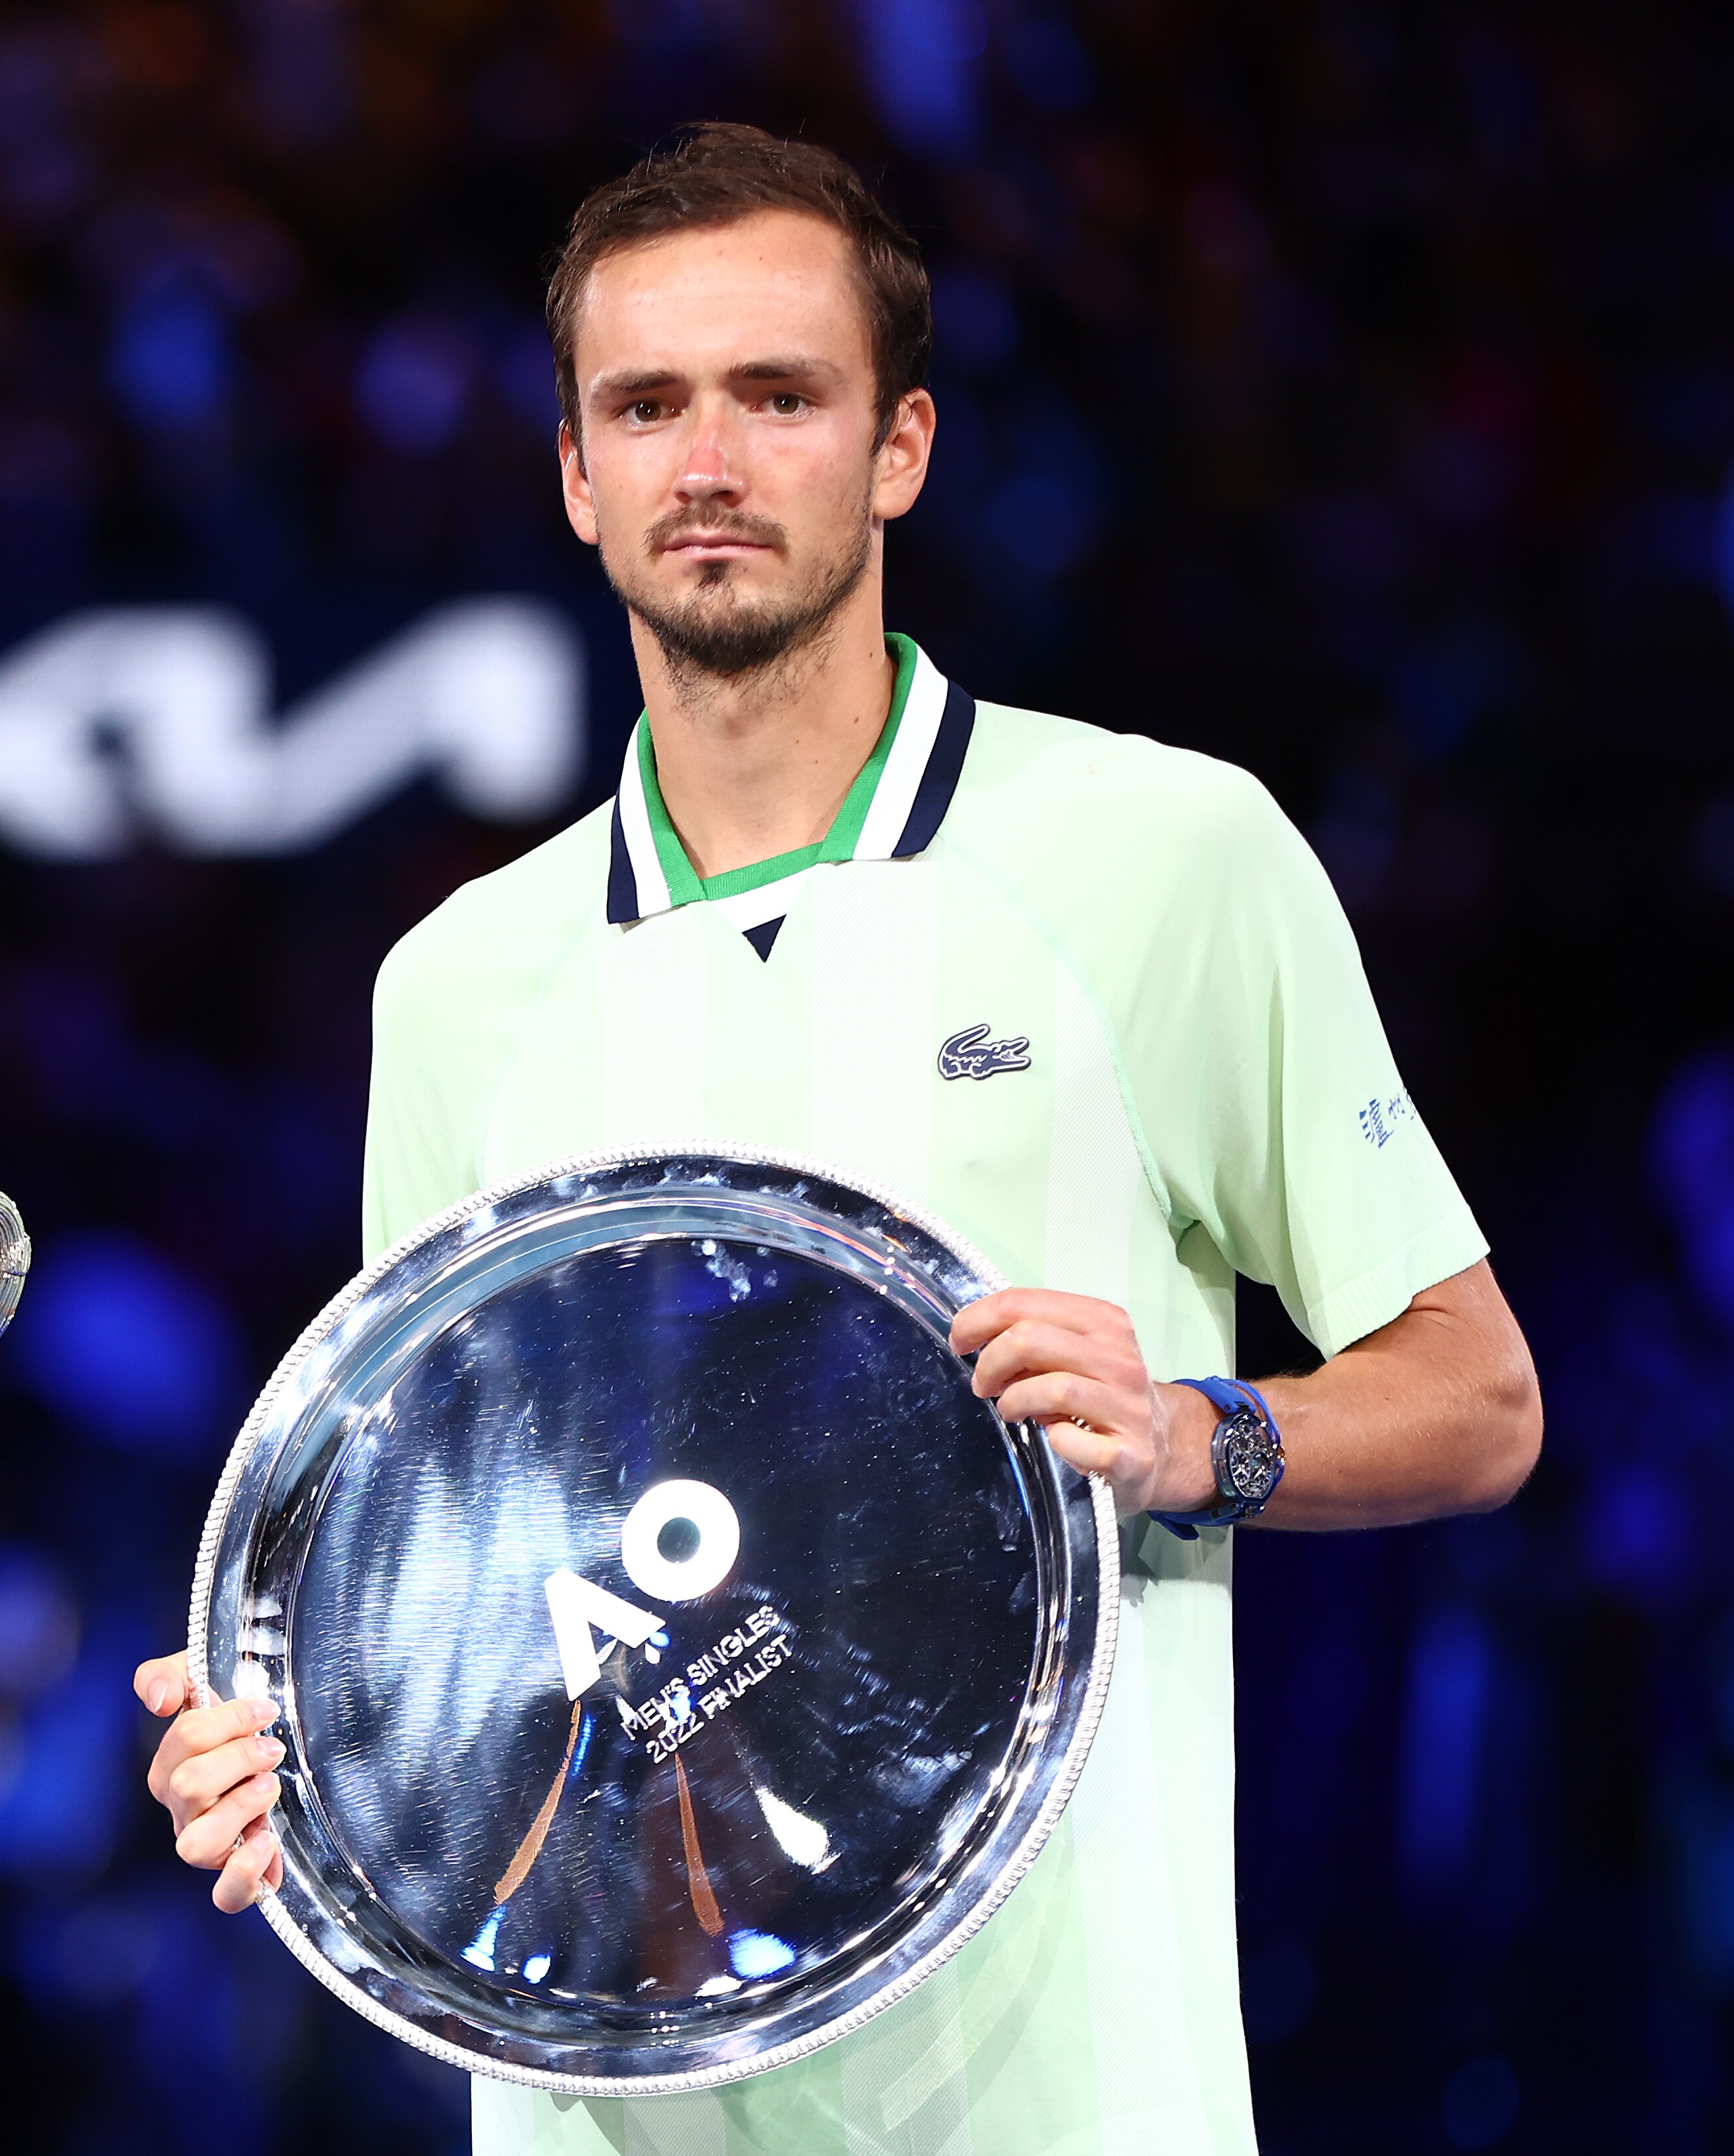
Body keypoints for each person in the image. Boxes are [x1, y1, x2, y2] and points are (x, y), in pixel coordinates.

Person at [134, 125, 1539, 2155]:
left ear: (896, 449)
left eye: (775, 396)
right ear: (573, 474)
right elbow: (459, 1582)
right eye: (646, 406)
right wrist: (299, 1758)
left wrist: (1191, 1439)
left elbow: (1478, 1400)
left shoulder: (1162, 858)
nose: (707, 461)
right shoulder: (454, 987)